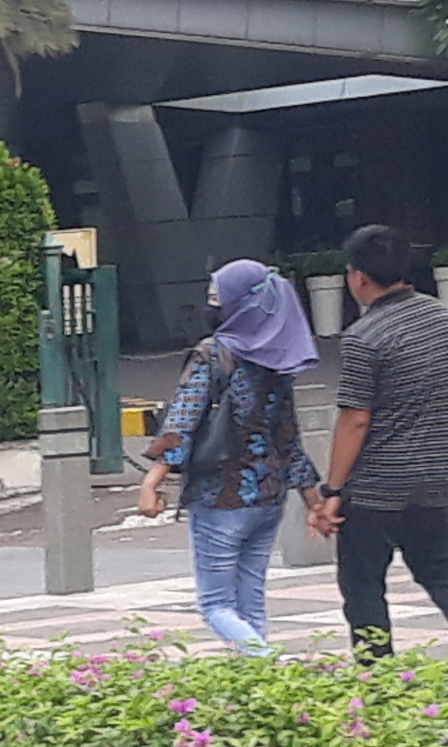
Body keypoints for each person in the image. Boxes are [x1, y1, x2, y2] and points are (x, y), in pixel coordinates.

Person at [311, 225, 448, 669]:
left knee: (364, 583)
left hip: (376, 486)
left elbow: (355, 418)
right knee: (442, 568)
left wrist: (332, 491)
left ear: (358, 278)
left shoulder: (364, 338)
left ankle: (379, 672)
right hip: (436, 477)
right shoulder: (442, 319)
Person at [137, 258, 323, 652]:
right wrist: (313, 500)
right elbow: (288, 437)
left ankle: (270, 666)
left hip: (218, 495)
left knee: (215, 605)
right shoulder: (277, 356)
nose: (211, 307)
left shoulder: (211, 354)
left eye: (217, 298)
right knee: (249, 600)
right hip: (268, 497)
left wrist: (151, 481)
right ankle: (257, 689)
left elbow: (181, 423)